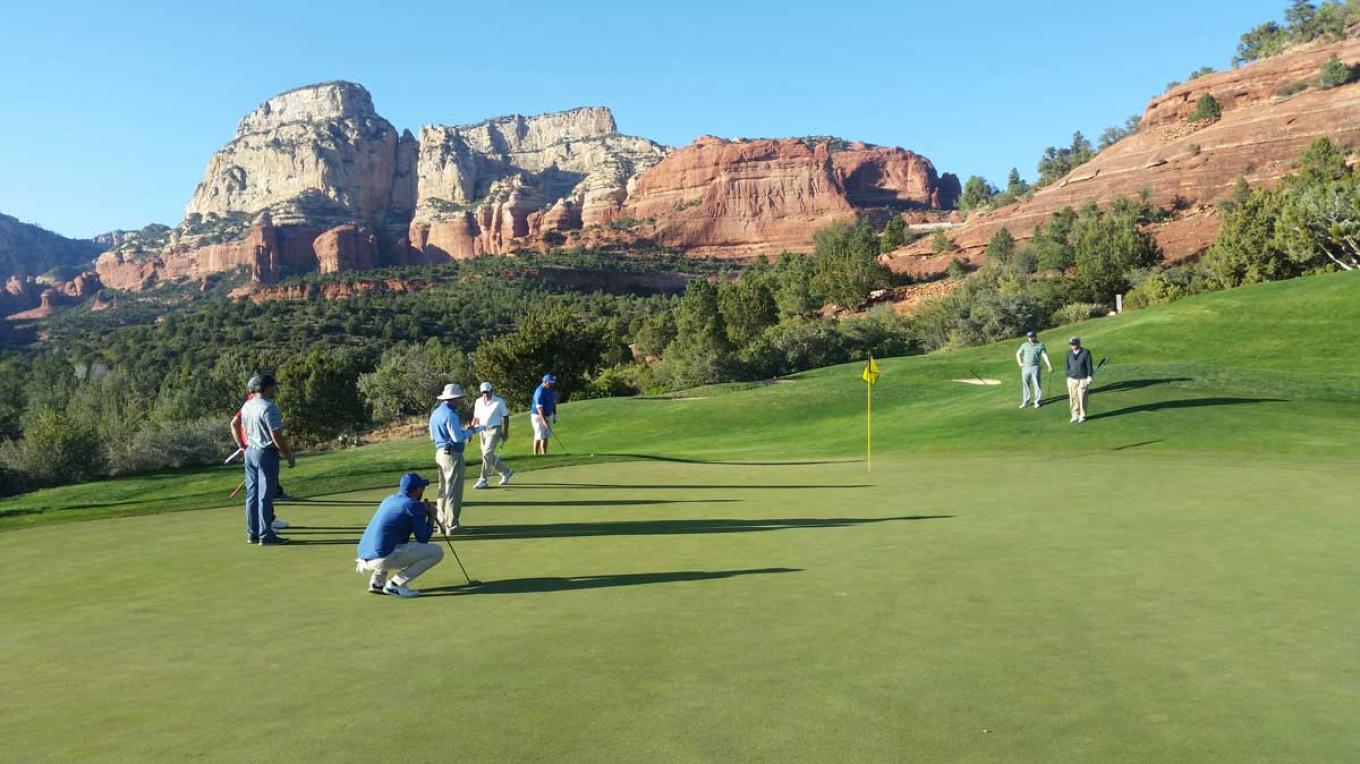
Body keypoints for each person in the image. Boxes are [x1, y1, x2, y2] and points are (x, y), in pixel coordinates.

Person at [354, 473, 444, 598]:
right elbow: (423, 538)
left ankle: (377, 582)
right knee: (437, 552)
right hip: (383, 557)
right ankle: (396, 584)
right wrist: (432, 517)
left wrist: (420, 512)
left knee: (391, 541)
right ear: (418, 490)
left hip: (364, 557)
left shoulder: (389, 499)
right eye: (422, 487)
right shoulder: (414, 505)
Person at [238, 374, 295, 545]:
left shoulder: (247, 405)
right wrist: (289, 456)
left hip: (250, 452)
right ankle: (266, 536)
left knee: (252, 495)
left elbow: (240, 426)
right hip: (266, 454)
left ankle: (253, 533)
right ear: (268, 388)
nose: (276, 389)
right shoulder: (270, 408)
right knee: (265, 496)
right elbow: (276, 435)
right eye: (274, 386)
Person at [230, 392, 290, 529]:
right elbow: (233, 424)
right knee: (262, 494)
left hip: (251, 451)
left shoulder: (248, 406)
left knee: (258, 493)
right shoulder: (258, 404)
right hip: (261, 451)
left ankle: (263, 525)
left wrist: (242, 446)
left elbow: (234, 424)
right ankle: (266, 527)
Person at [428, 384, 481, 533]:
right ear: (453, 399)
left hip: (440, 453)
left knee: (443, 490)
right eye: (459, 398)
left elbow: (433, 436)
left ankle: (442, 524)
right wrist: (470, 432)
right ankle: (452, 526)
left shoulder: (435, 413)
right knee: (453, 491)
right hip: (452, 454)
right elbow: (457, 437)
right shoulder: (451, 414)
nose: (460, 401)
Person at [471, 381, 513, 488]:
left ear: (492, 391)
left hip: (495, 430)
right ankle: (506, 471)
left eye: (487, 392)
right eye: (483, 392)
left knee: (486, 454)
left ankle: (483, 480)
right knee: (487, 455)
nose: (485, 394)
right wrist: (470, 432)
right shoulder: (478, 402)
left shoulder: (499, 402)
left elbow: (506, 416)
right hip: (482, 430)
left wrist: (505, 431)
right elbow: (476, 418)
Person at [1014, 331, 1054, 409]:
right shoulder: (1024, 345)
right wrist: (1020, 363)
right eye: (1029, 337)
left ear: (1035, 336)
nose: (1030, 339)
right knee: (1025, 384)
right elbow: (1018, 353)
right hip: (1025, 367)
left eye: (1032, 337)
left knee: (1037, 385)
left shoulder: (1040, 345)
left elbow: (1044, 355)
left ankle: (1037, 401)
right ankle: (1025, 401)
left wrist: (1049, 366)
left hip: (1035, 367)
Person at [1065, 336, 1094, 423]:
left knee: (1082, 398)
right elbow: (1067, 366)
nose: (1072, 346)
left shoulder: (1085, 352)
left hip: (1083, 379)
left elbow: (1089, 364)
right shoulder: (1069, 353)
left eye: (1074, 344)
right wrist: (1068, 375)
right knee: (1073, 398)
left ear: (1078, 343)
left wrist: (1089, 376)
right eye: (1071, 344)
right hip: (1071, 379)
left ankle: (1083, 416)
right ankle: (1075, 415)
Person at [531, 374, 558, 455]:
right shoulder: (540, 391)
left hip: (547, 415)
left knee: (545, 436)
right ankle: (535, 454)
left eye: (553, 382)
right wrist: (544, 420)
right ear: (545, 382)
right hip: (538, 416)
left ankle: (544, 454)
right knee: (539, 435)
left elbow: (553, 403)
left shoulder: (551, 390)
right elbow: (539, 408)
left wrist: (555, 415)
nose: (552, 384)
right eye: (550, 382)